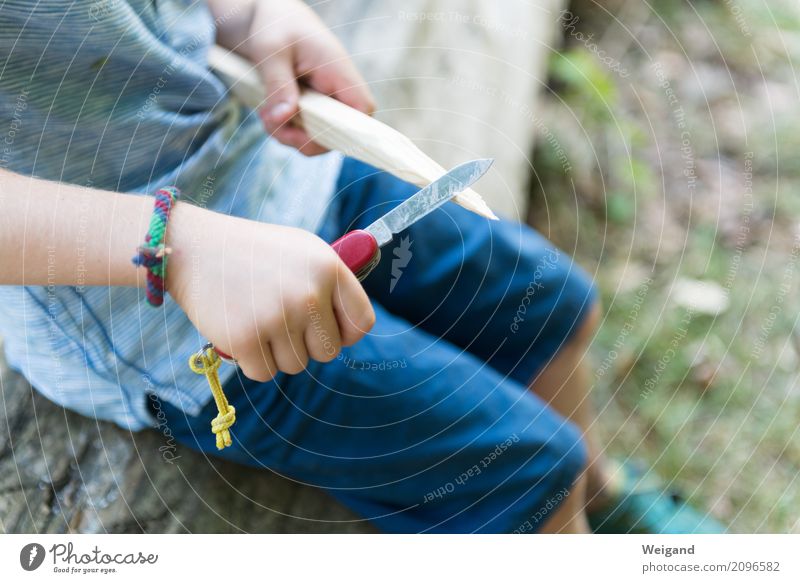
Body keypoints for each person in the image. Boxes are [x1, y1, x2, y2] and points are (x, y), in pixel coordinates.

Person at [0, 0, 722, 533]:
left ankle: (608, 501)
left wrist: (248, 17)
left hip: (268, 167)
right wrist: (176, 245)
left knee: (553, 306)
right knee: (531, 474)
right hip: (162, 304)